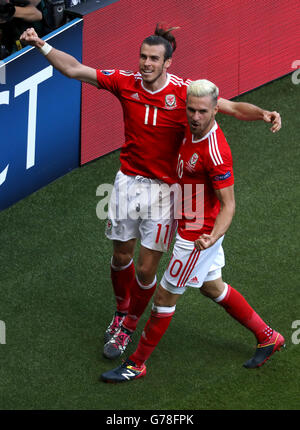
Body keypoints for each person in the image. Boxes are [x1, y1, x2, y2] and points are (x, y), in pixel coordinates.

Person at [20, 24, 282, 361]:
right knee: (120, 257)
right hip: (127, 183)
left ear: (167, 63)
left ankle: (129, 327)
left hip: (165, 193)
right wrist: (41, 45)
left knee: (146, 271)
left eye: (153, 58)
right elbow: (74, 69)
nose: (145, 63)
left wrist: (262, 113)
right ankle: (122, 311)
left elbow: (228, 107)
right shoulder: (124, 82)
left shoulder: (186, 94)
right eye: (143, 56)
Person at [100, 79, 285, 383]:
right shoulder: (190, 125)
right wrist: (263, 113)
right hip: (189, 219)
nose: (195, 117)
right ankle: (268, 337)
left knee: (164, 296)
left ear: (214, 111)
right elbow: (238, 109)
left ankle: (137, 363)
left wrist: (210, 238)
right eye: (191, 110)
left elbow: (229, 206)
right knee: (212, 287)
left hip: (198, 234)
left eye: (202, 112)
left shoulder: (216, 152)